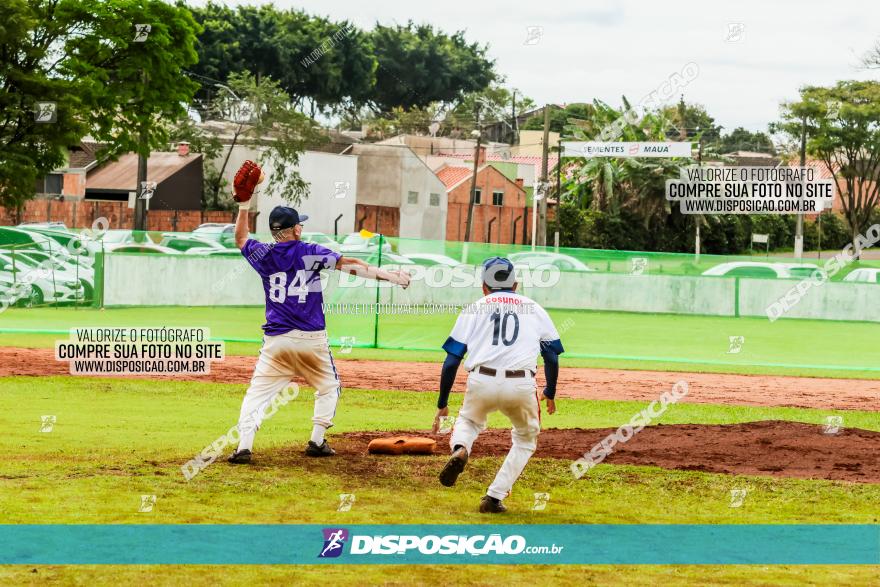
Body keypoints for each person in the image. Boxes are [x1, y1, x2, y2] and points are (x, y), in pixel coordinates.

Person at [227, 160, 410, 462]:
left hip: (277, 341)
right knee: (329, 386)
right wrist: (391, 276)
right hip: (312, 339)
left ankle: (244, 446)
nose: (302, 226)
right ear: (294, 229)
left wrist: (245, 204)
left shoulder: (263, 254)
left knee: (257, 395)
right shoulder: (310, 251)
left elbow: (241, 239)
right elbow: (351, 266)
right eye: (300, 223)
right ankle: (316, 440)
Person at [432, 256, 564, 513]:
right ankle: (493, 497)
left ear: (484, 286)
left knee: (468, 421)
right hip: (521, 384)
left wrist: (442, 404)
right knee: (526, 440)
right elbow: (551, 356)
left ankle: (461, 448)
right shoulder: (534, 308)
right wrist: (550, 391)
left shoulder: (475, 308)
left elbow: (451, 362)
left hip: (481, 379)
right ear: (515, 285)